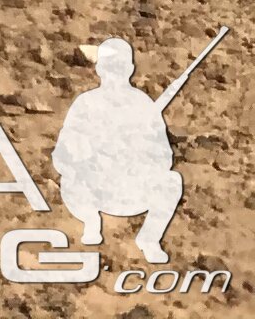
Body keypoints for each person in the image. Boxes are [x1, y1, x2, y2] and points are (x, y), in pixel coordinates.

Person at [54, 38, 188, 263]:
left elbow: (164, 157)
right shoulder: (85, 104)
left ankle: (149, 239)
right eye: (110, 67)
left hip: (130, 190)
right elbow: (62, 155)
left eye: (118, 67)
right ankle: (91, 222)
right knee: (71, 177)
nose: (114, 73)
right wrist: (91, 158)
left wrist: (134, 156)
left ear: (129, 70)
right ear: (100, 69)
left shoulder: (143, 105)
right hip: (92, 190)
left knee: (171, 181)